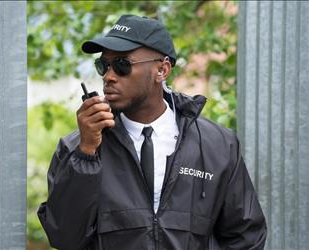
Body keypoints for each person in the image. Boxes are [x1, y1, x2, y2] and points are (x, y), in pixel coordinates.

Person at [38, 14, 267, 250]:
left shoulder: (217, 145)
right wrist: (86, 153)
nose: (108, 76)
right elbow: (64, 238)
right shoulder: (75, 148)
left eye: (122, 64)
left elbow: (246, 238)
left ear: (162, 70)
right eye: (103, 65)